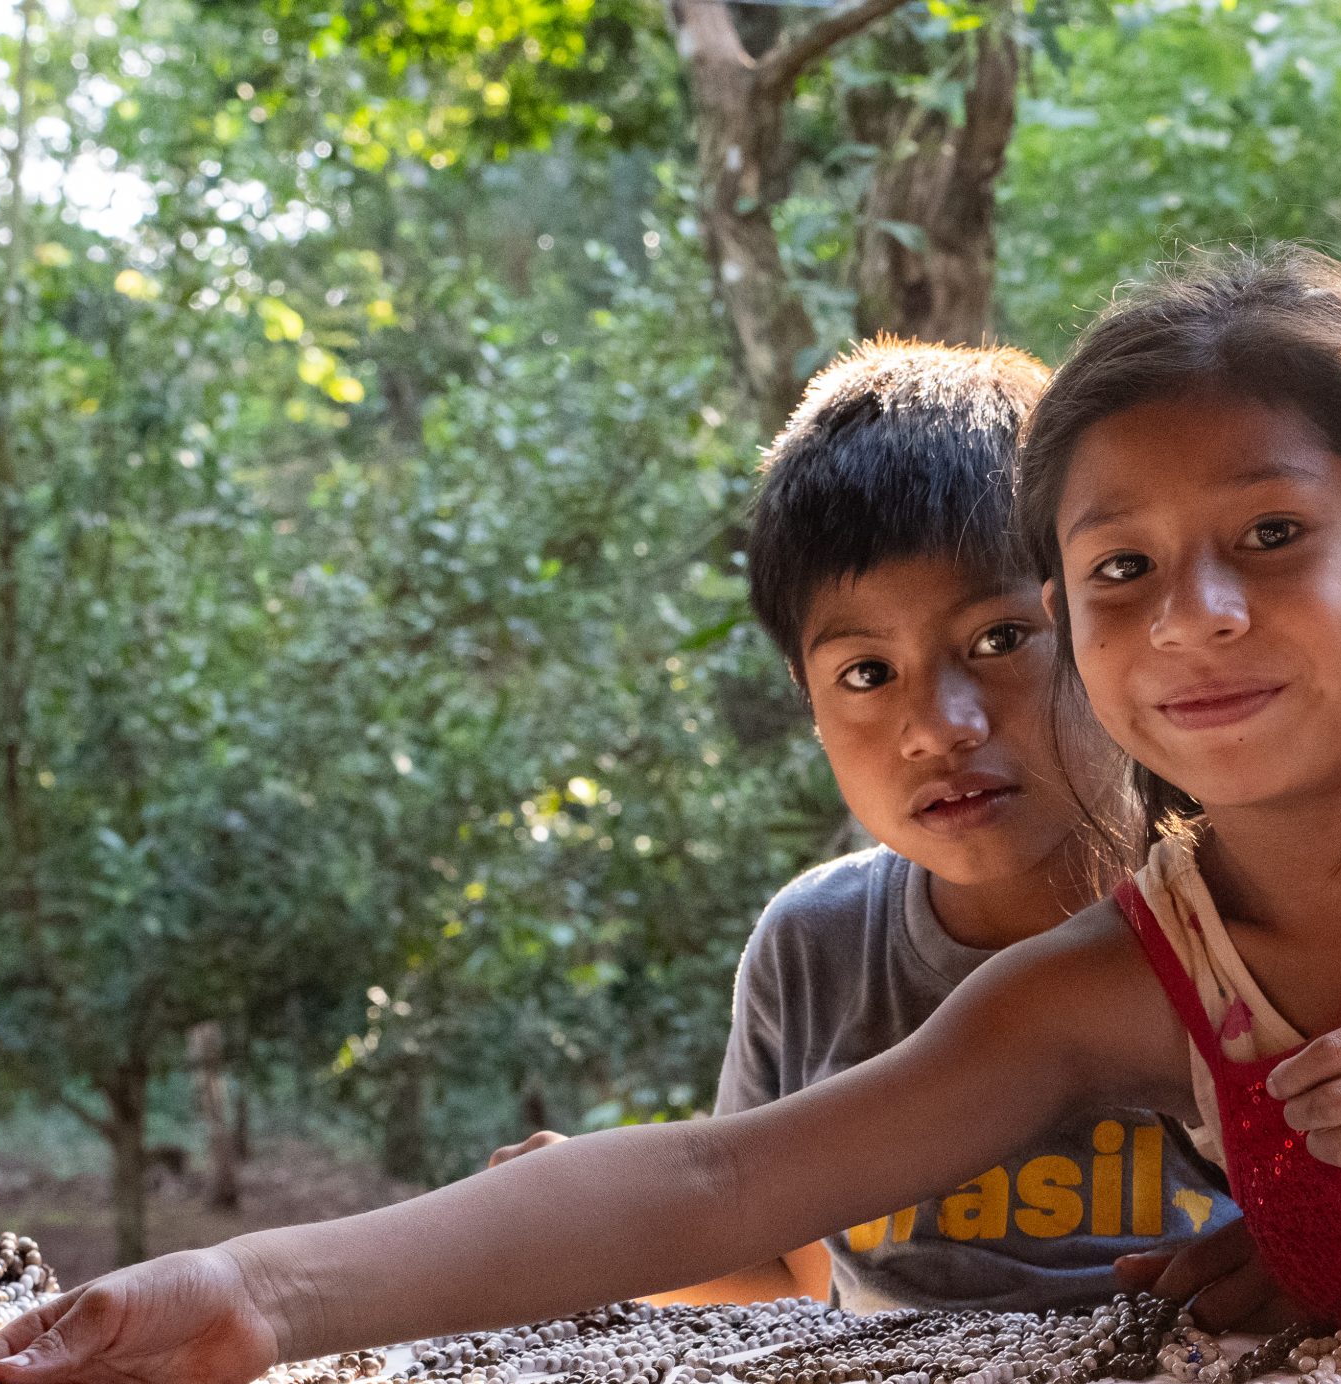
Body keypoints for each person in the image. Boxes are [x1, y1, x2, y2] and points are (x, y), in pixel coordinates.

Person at [0, 248, 1341, 1384]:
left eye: (1271, 532)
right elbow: (725, 1183)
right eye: (1123, 571)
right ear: (1076, 629)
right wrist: (248, 1296)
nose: (1203, 615)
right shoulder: (1137, 972)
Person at [486, 337, 1246, 1317]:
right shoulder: (816, 945)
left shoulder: (1245, 913)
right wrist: (598, 1228)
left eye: (1000, 639)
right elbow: (783, 1268)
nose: (937, 726)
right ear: (808, 701)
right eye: (865, 674)